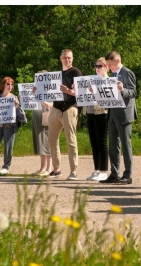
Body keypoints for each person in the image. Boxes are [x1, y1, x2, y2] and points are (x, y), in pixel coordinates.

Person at [99, 51, 137, 185]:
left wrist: (122, 90)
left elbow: (133, 92)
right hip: (112, 113)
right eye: (107, 65)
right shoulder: (113, 75)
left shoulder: (127, 73)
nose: (109, 68)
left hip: (124, 113)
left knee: (126, 144)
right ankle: (114, 173)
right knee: (113, 145)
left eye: (110, 65)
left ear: (117, 60)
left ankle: (127, 175)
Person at [48, 49, 82, 180]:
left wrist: (69, 91)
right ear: (60, 58)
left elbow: (81, 92)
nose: (67, 60)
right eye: (65, 58)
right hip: (56, 108)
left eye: (69, 58)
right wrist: (37, 90)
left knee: (71, 140)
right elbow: (47, 90)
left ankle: (73, 171)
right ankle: (56, 169)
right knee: (52, 139)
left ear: (72, 58)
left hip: (70, 107)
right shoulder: (55, 75)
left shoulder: (76, 72)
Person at [85, 57, 109, 181]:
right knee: (94, 143)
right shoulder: (91, 80)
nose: (97, 68)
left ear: (106, 67)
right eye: (96, 66)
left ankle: (104, 170)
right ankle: (97, 169)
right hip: (90, 111)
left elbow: (107, 98)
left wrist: (94, 91)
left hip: (102, 112)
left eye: (100, 66)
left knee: (102, 142)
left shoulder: (109, 81)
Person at [30, 101, 53, 177]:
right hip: (36, 111)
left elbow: (56, 97)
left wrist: (47, 103)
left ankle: (49, 168)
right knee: (40, 139)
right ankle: (42, 167)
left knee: (46, 138)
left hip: (47, 110)